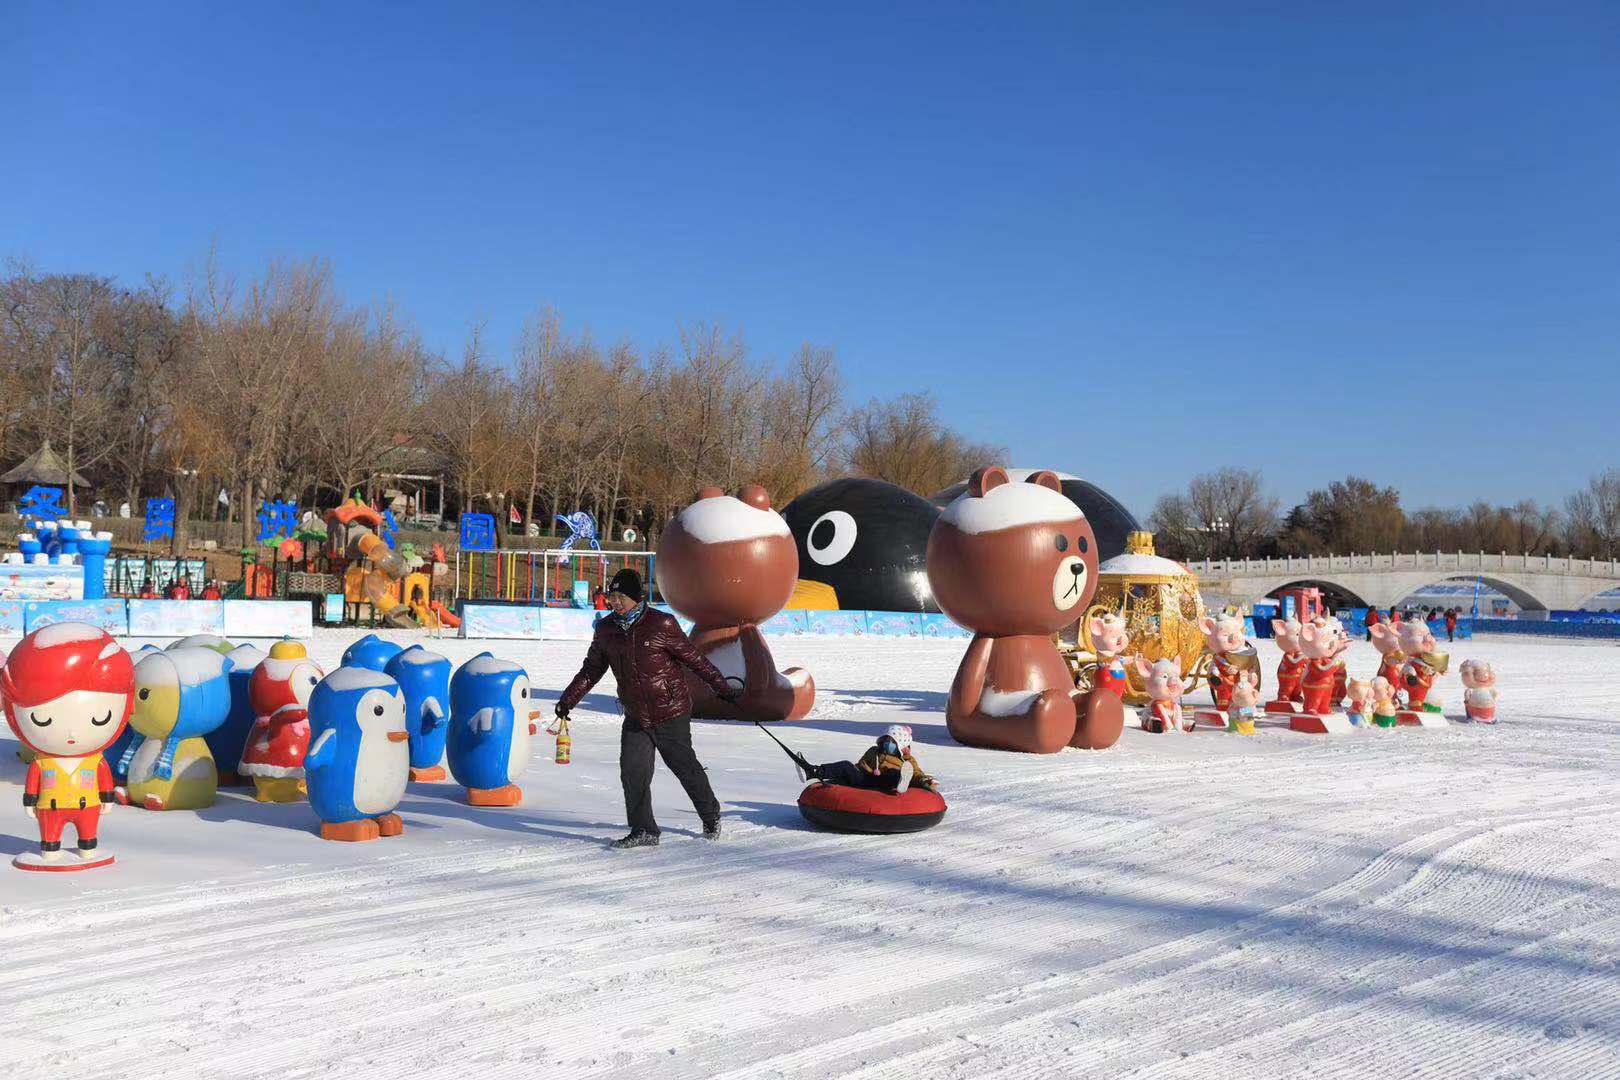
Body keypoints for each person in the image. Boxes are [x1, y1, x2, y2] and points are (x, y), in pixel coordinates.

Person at [556, 568, 739, 849]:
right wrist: (568, 700)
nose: (616, 602)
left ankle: (710, 814)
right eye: (612, 596)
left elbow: (694, 659)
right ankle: (644, 830)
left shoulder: (661, 623)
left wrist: (722, 687)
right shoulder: (606, 630)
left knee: (685, 768)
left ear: (636, 597)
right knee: (633, 772)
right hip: (636, 715)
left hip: (670, 711)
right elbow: (591, 670)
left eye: (622, 597)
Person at [797, 725, 937, 794]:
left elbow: (916, 772)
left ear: (901, 745)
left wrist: (925, 781)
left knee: (893, 773)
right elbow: (861, 764)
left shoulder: (907, 760)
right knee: (846, 765)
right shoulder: (874, 751)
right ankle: (813, 771)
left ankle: (902, 783)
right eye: (887, 740)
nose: (888, 744)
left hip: (884, 782)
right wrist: (850, 772)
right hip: (866, 779)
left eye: (893, 742)